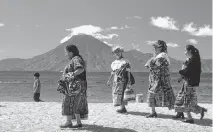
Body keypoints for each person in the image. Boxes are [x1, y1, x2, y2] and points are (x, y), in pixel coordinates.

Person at [173, 45, 207, 124]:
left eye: (185, 50)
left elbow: (187, 71)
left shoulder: (192, 61)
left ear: (190, 51)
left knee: (187, 100)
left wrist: (180, 71)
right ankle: (180, 113)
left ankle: (190, 118)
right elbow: (188, 72)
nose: (184, 52)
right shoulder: (190, 60)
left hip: (190, 83)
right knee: (180, 98)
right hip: (187, 82)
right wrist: (181, 78)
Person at [59, 44, 88, 128]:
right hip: (79, 85)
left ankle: (68, 122)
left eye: (66, 52)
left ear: (71, 52)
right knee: (76, 102)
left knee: (67, 101)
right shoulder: (78, 58)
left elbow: (81, 68)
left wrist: (71, 75)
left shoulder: (76, 59)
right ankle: (78, 122)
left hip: (74, 85)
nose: (66, 54)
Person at [144, 40, 175, 118]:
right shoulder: (157, 56)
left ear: (160, 47)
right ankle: (153, 112)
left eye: (155, 47)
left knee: (167, 95)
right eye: (154, 47)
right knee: (158, 95)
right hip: (156, 79)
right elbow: (152, 65)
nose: (154, 48)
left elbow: (157, 66)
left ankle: (180, 112)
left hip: (161, 79)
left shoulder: (162, 55)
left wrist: (151, 63)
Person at [107, 46, 131, 113]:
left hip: (123, 80)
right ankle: (122, 107)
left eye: (118, 51)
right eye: (115, 52)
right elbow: (113, 72)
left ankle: (123, 108)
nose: (117, 53)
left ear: (121, 52)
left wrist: (129, 81)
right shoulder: (113, 63)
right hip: (116, 80)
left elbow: (128, 71)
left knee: (122, 94)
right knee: (117, 94)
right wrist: (109, 80)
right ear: (113, 53)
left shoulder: (125, 61)